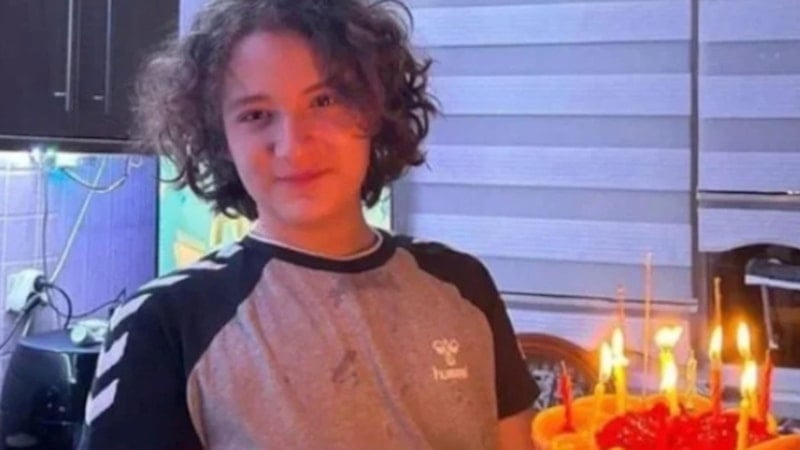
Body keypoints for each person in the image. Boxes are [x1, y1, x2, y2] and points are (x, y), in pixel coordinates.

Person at [78, 0, 539, 448]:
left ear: (376, 110)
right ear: (221, 140)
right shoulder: (164, 323)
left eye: (324, 100)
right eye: (256, 115)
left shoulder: (463, 286)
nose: (293, 146)